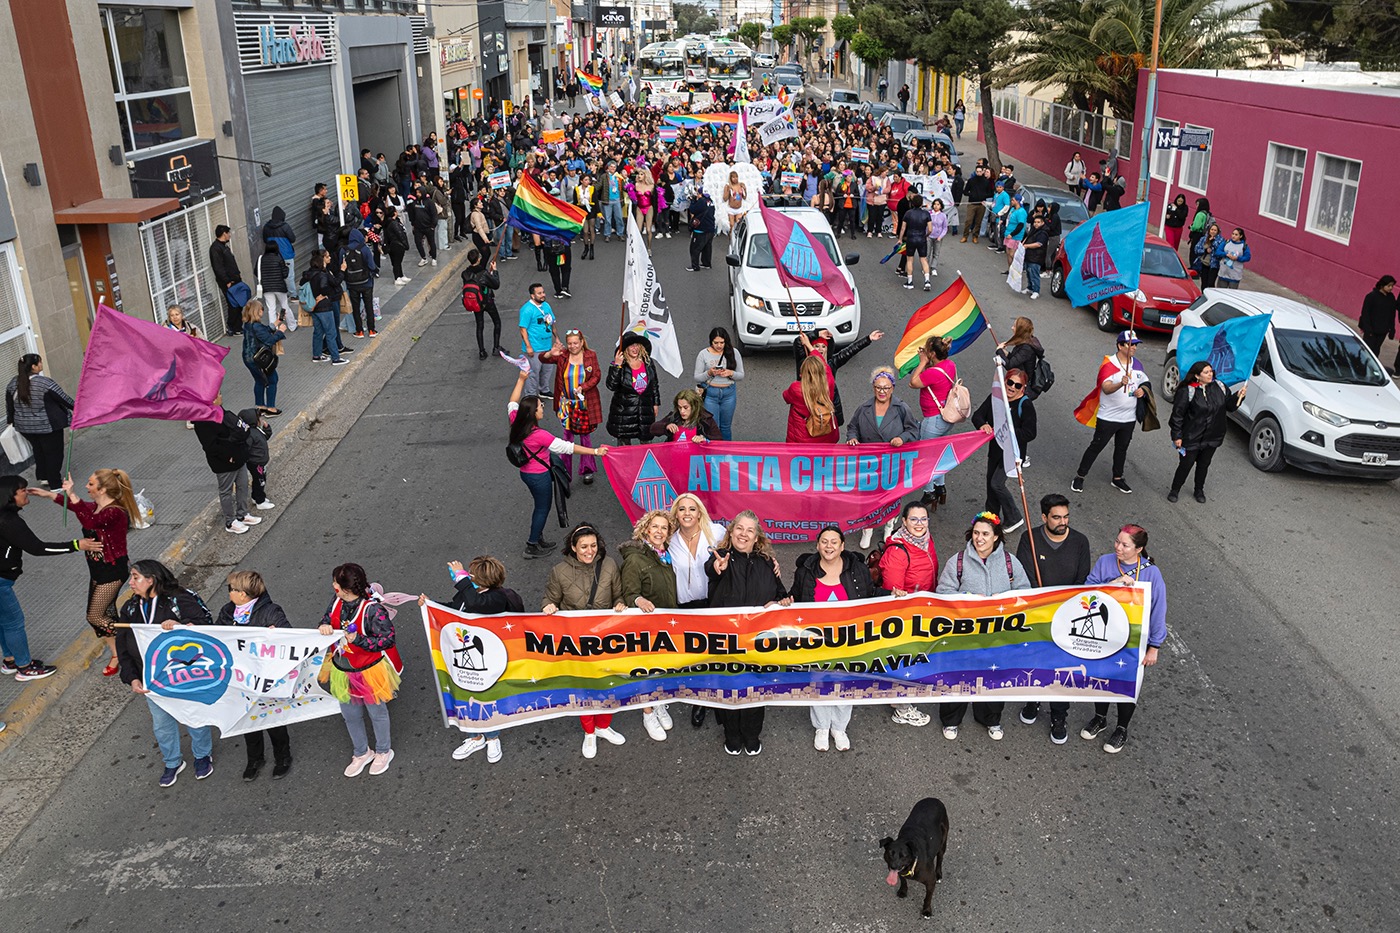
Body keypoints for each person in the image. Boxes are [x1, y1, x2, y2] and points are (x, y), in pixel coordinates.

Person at [26, 470, 137, 676]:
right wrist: (50, 495)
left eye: (91, 484)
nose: (86, 487)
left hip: (113, 570)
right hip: (97, 569)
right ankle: (117, 654)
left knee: (94, 616)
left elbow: (90, 522)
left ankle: (133, 642)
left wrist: (72, 494)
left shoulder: (115, 512)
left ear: (102, 489)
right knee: (107, 613)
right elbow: (82, 510)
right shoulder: (97, 506)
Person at [936, 512, 1033, 742]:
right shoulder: (957, 561)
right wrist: (969, 597)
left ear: (997, 537)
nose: (980, 538)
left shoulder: (1011, 563)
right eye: (977, 533)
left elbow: (1025, 592)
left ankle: (990, 718)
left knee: (993, 678)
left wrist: (1007, 598)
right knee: (957, 677)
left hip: (997, 637)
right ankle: (951, 719)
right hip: (964, 635)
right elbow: (943, 594)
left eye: (986, 534)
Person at [117, 559, 215, 786]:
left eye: (135, 577)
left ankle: (202, 755)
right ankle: (172, 761)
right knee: (161, 724)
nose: (130, 582)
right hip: (152, 680)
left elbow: (205, 625)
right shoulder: (130, 609)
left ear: (151, 580)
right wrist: (132, 678)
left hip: (184, 676)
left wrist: (181, 624)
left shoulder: (178, 599)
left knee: (194, 717)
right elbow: (123, 648)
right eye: (131, 577)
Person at [422, 555, 525, 764]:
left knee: (487, 695)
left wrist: (462, 580)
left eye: (472, 575)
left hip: (489, 659)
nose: (469, 577)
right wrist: (431, 605)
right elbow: (454, 607)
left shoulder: (497, 598)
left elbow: (476, 604)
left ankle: (493, 737)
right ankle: (475, 737)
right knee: (464, 692)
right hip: (463, 658)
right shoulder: (469, 593)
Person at [706, 510, 791, 756]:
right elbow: (710, 570)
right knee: (730, 688)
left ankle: (752, 735)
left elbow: (780, 594)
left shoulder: (766, 564)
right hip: (726, 640)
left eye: (750, 530)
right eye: (739, 529)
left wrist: (780, 602)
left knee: (755, 689)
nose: (743, 534)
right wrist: (717, 566)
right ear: (731, 532)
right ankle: (731, 735)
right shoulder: (719, 557)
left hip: (758, 641)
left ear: (757, 538)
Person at [0, 476, 99, 682]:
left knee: (4, 622)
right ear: (10, 496)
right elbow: (38, 548)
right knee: (13, 623)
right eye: (23, 490)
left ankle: (11, 659)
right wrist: (75, 545)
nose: (27, 493)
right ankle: (25, 668)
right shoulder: (9, 522)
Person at [541, 523, 627, 758]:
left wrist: (620, 603)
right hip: (577, 641)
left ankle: (603, 726)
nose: (589, 551)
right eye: (583, 547)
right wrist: (548, 606)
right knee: (584, 689)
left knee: (609, 685)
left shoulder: (609, 565)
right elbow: (551, 598)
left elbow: (618, 593)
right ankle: (589, 732)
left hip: (607, 638)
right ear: (573, 547)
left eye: (593, 545)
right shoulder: (559, 572)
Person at [1080, 525, 1167, 753]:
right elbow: (1087, 590)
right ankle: (1100, 717)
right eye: (1117, 541)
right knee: (1101, 678)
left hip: (1133, 641)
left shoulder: (1151, 573)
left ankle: (1121, 728)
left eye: (1125, 545)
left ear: (1139, 549)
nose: (1118, 547)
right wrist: (1114, 584)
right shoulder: (1106, 561)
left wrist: (1154, 646)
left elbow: (1158, 610)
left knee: (1126, 683)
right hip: (1105, 636)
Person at [507, 366, 609, 559]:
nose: (543, 408)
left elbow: (512, 402)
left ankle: (537, 538)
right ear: (533, 413)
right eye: (540, 406)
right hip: (539, 476)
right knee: (542, 508)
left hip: (526, 473)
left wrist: (521, 379)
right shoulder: (539, 435)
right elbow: (568, 447)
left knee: (539, 506)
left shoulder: (516, 421)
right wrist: (595, 451)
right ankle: (532, 544)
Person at [1015, 494, 1091, 742]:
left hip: (1068, 617)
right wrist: (1043, 605)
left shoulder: (1080, 542)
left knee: (1062, 667)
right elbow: (1026, 576)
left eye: (1066, 516)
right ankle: (1034, 698)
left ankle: (1060, 714)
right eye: (1056, 517)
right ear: (1044, 517)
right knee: (1036, 660)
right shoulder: (1030, 539)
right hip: (1038, 613)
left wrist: (1065, 609)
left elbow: (1082, 581)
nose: (1063, 522)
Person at [791, 526, 873, 751]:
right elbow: (795, 598)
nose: (829, 546)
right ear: (817, 546)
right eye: (824, 542)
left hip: (850, 641)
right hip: (817, 643)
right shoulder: (805, 572)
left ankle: (839, 727)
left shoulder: (858, 570)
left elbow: (871, 596)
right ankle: (821, 727)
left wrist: (895, 596)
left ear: (842, 546)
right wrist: (785, 601)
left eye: (834, 542)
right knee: (819, 682)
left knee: (845, 682)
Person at [318, 563, 401, 777]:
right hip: (342, 669)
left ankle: (383, 751)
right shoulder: (336, 601)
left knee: (377, 713)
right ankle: (361, 752)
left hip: (369, 670)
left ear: (345, 588)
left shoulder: (372, 609)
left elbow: (387, 640)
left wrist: (360, 640)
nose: (333, 585)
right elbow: (326, 619)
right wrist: (324, 626)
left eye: (336, 582)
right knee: (350, 714)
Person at [215, 570, 294, 780]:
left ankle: (283, 756)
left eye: (231, 589)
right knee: (247, 718)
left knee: (272, 717)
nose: (229, 593)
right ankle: (255, 758)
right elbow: (217, 635)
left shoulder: (270, 611)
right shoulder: (227, 612)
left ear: (243, 594)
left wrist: (275, 635)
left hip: (265, 676)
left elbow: (289, 637)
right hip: (242, 677)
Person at [618, 509, 679, 741]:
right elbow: (629, 592)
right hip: (645, 626)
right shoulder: (635, 559)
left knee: (663, 667)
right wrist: (638, 600)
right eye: (655, 526)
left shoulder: (668, 554)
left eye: (664, 528)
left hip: (668, 623)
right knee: (645, 669)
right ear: (645, 529)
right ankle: (647, 712)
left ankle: (660, 703)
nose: (659, 531)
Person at [877, 499, 937, 729]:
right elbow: (895, 597)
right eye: (914, 519)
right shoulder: (898, 552)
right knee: (904, 659)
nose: (919, 524)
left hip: (923, 610)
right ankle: (901, 708)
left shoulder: (924, 539)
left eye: (923, 519)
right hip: (907, 617)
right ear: (903, 521)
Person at [846, 366, 919, 548]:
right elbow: (852, 427)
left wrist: (902, 438)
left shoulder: (901, 408)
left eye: (886, 388)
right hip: (869, 462)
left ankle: (888, 526)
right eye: (878, 387)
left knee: (890, 495)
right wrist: (853, 438)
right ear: (873, 388)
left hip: (892, 462)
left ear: (892, 388)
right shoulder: (864, 408)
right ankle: (868, 528)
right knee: (868, 496)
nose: (882, 391)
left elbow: (913, 430)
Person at [1072, 331, 1148, 496]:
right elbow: (1105, 388)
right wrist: (1120, 383)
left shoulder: (1137, 365)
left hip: (1129, 418)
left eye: (1136, 344)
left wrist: (1142, 390)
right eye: (1130, 344)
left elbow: (1145, 382)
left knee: (1122, 448)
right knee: (1096, 446)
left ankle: (1118, 477)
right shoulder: (1109, 364)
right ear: (1120, 346)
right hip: (1108, 417)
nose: (1134, 347)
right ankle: (1080, 475)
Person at [1168, 361, 1246, 503]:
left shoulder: (1220, 387)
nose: (1210, 374)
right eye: (1206, 372)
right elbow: (1177, 415)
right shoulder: (1188, 391)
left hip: (1212, 436)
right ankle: (1175, 489)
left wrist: (1238, 396)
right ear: (1197, 376)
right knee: (1186, 464)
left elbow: (1229, 406)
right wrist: (1177, 435)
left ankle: (1199, 490)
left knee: (1204, 465)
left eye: (1211, 371)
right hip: (1191, 437)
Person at [971, 367, 1036, 533]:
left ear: (1023, 388)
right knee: (990, 483)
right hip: (995, 450)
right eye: (1009, 382)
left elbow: (1030, 433)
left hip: (1012, 453)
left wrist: (1010, 432)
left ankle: (1014, 517)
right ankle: (991, 516)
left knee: (997, 484)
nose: (1012, 387)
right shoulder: (996, 399)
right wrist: (983, 424)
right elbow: (978, 416)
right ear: (1004, 381)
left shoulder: (1025, 405)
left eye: (1017, 385)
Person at [539, 329, 603, 482]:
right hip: (566, 404)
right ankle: (565, 470)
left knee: (584, 437)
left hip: (584, 403)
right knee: (567, 438)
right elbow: (543, 359)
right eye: (570, 344)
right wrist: (550, 353)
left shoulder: (590, 355)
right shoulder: (562, 356)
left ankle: (587, 470)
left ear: (582, 342)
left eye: (576, 343)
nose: (573, 346)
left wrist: (584, 386)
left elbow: (597, 375)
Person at [193, 402, 266, 535]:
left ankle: (243, 514)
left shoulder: (221, 411)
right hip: (224, 463)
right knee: (226, 492)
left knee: (242, 485)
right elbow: (210, 446)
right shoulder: (202, 421)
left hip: (239, 456)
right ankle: (230, 521)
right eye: (216, 394)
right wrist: (228, 456)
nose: (219, 396)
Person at [5, 354, 72, 489]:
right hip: (47, 426)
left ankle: (43, 476)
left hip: (25, 428)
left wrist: (11, 420)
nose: (41, 364)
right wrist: (78, 408)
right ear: (34, 367)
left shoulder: (13, 383)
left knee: (39, 450)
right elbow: (63, 399)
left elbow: (9, 405)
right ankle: (55, 484)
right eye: (39, 362)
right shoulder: (44, 383)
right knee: (54, 453)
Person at [909, 336, 960, 509]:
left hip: (933, 421)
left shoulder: (932, 372)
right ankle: (940, 487)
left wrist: (922, 362)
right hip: (945, 418)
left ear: (932, 353)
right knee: (938, 453)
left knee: (926, 459)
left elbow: (913, 382)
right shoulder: (949, 365)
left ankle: (929, 492)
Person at [606, 333, 661, 445]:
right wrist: (617, 366)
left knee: (646, 443)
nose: (635, 348)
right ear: (625, 349)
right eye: (631, 346)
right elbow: (611, 386)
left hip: (645, 408)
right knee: (624, 446)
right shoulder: (620, 364)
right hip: (624, 412)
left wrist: (655, 403)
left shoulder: (648, 362)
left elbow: (654, 384)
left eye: (637, 345)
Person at [695, 327, 744, 441]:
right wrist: (709, 372)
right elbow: (697, 377)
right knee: (713, 427)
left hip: (729, 393)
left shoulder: (734, 352)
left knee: (726, 427)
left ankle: (726, 453)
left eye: (722, 342)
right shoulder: (703, 354)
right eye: (716, 343)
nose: (719, 346)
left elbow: (741, 375)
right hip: (710, 393)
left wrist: (730, 373)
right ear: (711, 342)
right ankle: (713, 454)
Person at [240, 301, 286, 416]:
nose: (263, 311)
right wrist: (280, 332)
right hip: (260, 359)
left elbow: (264, 330)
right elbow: (269, 340)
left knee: (259, 381)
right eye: (261, 309)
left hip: (248, 358)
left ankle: (260, 406)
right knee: (272, 380)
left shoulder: (248, 325)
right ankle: (271, 408)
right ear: (257, 311)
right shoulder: (257, 326)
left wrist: (277, 321)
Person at [784, 355, 838, 444]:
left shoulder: (796, 388)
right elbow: (827, 368)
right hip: (827, 433)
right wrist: (810, 347)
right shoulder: (829, 383)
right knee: (825, 457)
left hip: (802, 438)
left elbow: (786, 397)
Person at [518, 283, 557, 398]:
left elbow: (552, 323)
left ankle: (544, 390)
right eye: (539, 293)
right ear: (532, 296)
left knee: (547, 370)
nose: (543, 295)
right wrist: (528, 346)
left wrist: (557, 339)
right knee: (533, 373)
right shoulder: (527, 309)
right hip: (534, 348)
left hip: (547, 346)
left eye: (543, 292)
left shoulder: (546, 306)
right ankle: (530, 395)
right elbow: (523, 329)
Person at [340, 226, 379, 338]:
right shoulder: (364, 248)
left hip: (351, 284)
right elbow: (371, 265)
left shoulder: (344, 250)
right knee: (368, 306)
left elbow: (340, 265)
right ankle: (372, 330)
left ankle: (359, 331)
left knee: (355, 307)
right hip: (366, 282)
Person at [463, 249, 503, 359]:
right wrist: (494, 271)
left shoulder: (465, 273)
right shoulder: (484, 273)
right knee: (497, 322)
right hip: (487, 301)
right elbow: (496, 284)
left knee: (479, 326)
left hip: (475, 303)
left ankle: (481, 351)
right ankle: (496, 347)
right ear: (478, 259)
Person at [209, 224, 244, 336]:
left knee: (238, 303)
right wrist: (227, 281)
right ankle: (233, 327)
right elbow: (218, 267)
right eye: (229, 233)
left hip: (234, 280)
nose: (230, 235)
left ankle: (238, 327)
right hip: (229, 282)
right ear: (224, 233)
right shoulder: (216, 248)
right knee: (233, 304)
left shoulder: (223, 246)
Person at [651, 388, 720, 444]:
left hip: (695, 458)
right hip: (674, 456)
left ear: (695, 407)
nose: (682, 411)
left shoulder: (706, 419)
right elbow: (653, 429)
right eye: (679, 407)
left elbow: (719, 440)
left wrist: (704, 439)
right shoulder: (674, 416)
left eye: (685, 407)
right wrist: (666, 426)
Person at [1359, 275, 1399, 370]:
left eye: (1392, 286)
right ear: (1382, 285)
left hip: (1382, 330)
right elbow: (1365, 314)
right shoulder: (1371, 297)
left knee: (1376, 350)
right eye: (1389, 286)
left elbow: (1392, 314)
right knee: (1368, 350)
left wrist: (1392, 329)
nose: (1391, 288)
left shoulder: (1391, 298)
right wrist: (1368, 330)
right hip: (1371, 330)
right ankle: (1361, 367)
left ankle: (1371, 368)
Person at [686, 190, 716, 272]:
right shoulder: (710, 201)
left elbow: (693, 210)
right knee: (707, 247)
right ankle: (706, 263)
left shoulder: (701, 201)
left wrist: (692, 201)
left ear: (700, 194)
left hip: (701, 229)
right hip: (710, 228)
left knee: (695, 247)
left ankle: (695, 266)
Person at [1191, 222, 1225, 290]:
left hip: (1214, 265)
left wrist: (1213, 242)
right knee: (1204, 283)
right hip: (1204, 264)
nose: (1213, 231)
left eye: (1215, 230)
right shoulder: (1203, 239)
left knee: (1210, 283)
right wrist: (1204, 250)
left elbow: (1219, 253)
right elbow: (1196, 249)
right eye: (1212, 229)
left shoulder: (1221, 240)